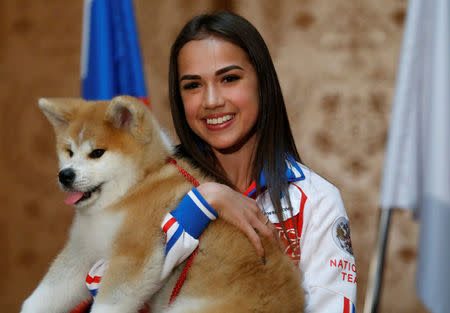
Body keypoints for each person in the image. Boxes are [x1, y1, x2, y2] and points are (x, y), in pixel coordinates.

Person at [82, 11, 357, 313]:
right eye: (193, 85)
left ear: (261, 84)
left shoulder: (316, 201)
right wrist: (199, 206)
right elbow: (102, 289)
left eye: (229, 79)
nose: (211, 100)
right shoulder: (148, 184)